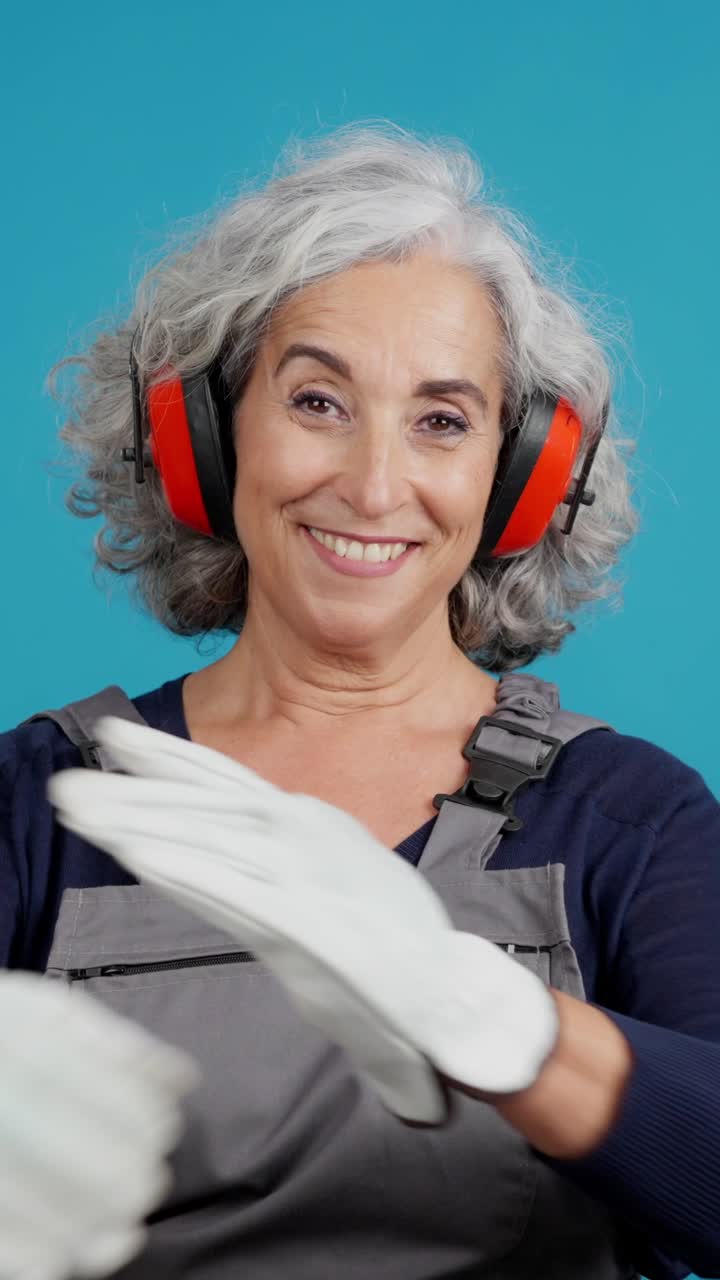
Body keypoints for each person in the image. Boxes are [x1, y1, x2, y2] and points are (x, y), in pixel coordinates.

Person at [2, 121, 719, 1280]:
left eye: (442, 419)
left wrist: (506, 1026)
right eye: (318, 402)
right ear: (204, 436)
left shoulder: (626, 819)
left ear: (521, 477)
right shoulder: (35, 806)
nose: (375, 484)